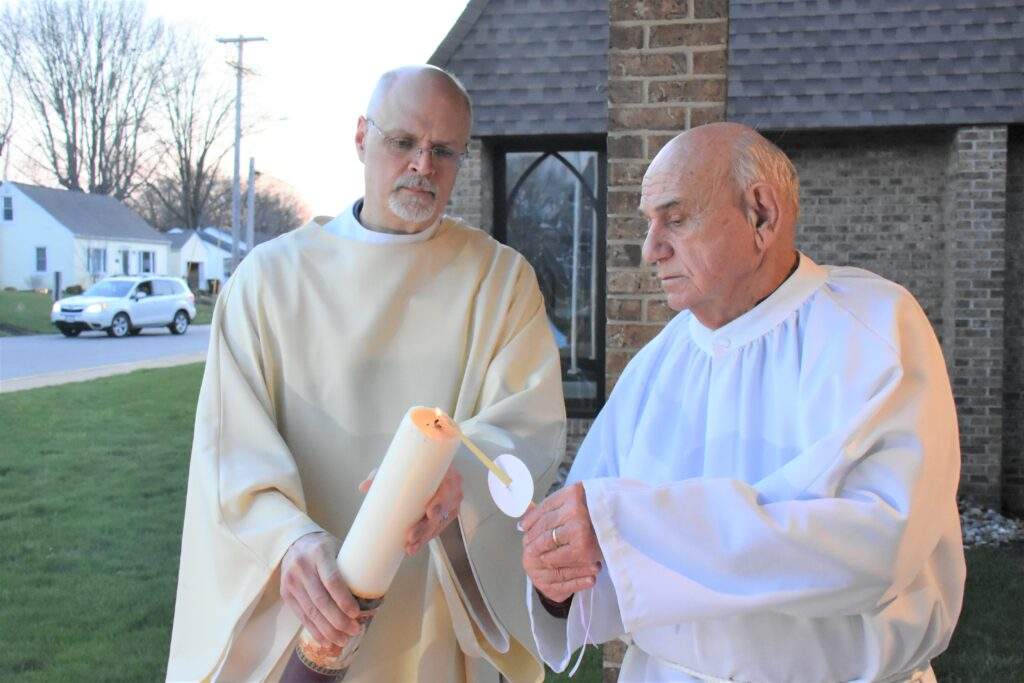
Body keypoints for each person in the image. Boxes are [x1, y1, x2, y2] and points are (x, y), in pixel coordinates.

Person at [521, 122, 965, 682]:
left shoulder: (873, 330)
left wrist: (630, 523)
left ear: (761, 214)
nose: (650, 248)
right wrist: (559, 574)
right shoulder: (654, 366)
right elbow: (600, 546)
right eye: (649, 222)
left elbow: (878, 547)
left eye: (675, 218)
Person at [167, 65, 566, 682]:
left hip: (434, 609)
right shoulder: (268, 281)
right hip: (300, 606)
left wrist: (455, 475)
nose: (422, 166)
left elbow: (528, 427)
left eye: (443, 151)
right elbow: (229, 452)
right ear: (361, 138)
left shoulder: (500, 282)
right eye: (402, 142)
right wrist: (288, 544)